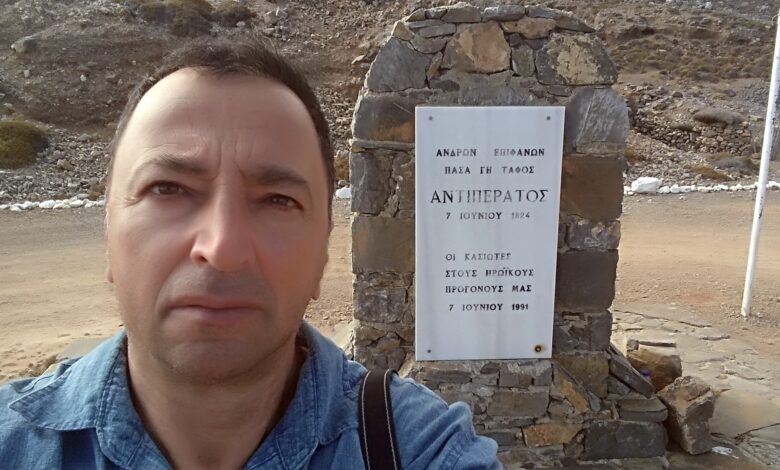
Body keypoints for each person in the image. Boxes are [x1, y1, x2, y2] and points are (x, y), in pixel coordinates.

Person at [0, 37, 500, 469]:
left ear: (323, 253)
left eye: (278, 200)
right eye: (167, 189)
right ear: (108, 235)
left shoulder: (421, 450)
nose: (222, 249)